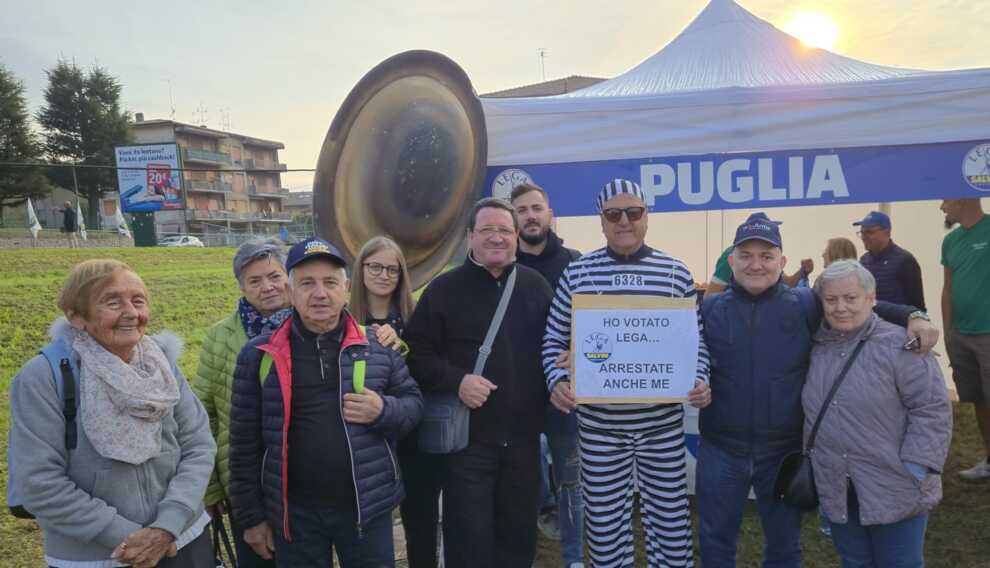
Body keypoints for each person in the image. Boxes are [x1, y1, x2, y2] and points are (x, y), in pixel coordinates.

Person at [697, 212, 941, 567]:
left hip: (782, 451)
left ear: (782, 262)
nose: (756, 265)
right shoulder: (708, 308)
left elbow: (861, 303)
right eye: (746, 256)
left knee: (784, 546)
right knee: (715, 541)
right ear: (731, 262)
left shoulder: (804, 304)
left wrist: (913, 315)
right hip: (722, 448)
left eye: (766, 256)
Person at [543, 179, 712, 568]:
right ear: (601, 220)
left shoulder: (675, 273)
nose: (624, 221)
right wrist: (558, 381)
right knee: (605, 532)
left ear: (646, 216)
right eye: (613, 213)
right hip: (600, 428)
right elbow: (553, 339)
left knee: (671, 527)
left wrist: (699, 378)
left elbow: (696, 342)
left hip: (661, 427)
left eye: (634, 212)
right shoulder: (578, 273)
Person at [228, 237, 423, 568]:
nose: (320, 293)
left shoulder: (376, 346)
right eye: (307, 283)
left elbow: (414, 405)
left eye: (330, 282)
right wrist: (251, 518)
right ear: (290, 292)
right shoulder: (259, 355)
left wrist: (383, 410)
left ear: (345, 289)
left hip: (366, 509)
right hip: (295, 516)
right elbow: (244, 444)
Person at [8, 259, 216, 568]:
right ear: (77, 316)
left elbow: (198, 445)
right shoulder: (43, 376)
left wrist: (168, 524)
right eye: (113, 302)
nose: (131, 313)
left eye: (138, 300)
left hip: (182, 539)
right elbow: (39, 481)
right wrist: (129, 537)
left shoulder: (161, 366)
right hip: (97, 557)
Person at [405, 197, 554, 568]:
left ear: (516, 236)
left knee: (518, 538)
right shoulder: (442, 290)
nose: (496, 237)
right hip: (466, 445)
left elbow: (555, 346)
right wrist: (457, 381)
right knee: (468, 542)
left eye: (504, 230)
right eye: (487, 229)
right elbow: (416, 355)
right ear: (470, 236)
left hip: (523, 443)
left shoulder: (536, 287)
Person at [805, 260, 951, 567]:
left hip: (895, 483)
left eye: (851, 298)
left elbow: (932, 409)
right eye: (831, 299)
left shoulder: (902, 344)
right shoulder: (815, 346)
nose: (840, 307)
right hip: (838, 485)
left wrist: (916, 467)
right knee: (854, 561)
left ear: (872, 299)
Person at [194, 239, 291, 568]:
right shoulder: (220, 336)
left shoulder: (313, 325)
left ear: (288, 277)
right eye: (255, 280)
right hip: (244, 480)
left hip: (299, 477)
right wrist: (210, 487)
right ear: (242, 287)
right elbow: (202, 414)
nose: (267, 287)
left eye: (274, 276)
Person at [349, 235, 441, 568]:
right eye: (375, 267)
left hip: (411, 434)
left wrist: (402, 344)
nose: (384, 275)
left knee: (420, 516)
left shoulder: (416, 318)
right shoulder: (343, 319)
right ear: (361, 270)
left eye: (392, 269)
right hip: (364, 439)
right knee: (368, 523)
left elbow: (427, 372)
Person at [510, 182, 584, 568]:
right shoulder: (502, 266)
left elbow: (597, 323)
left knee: (572, 480)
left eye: (536, 208)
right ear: (513, 219)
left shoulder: (576, 263)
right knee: (521, 481)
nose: (531, 216)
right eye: (522, 210)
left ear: (550, 213)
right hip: (517, 396)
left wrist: (579, 349)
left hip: (565, 396)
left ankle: (574, 558)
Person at [940, 198, 990, 480]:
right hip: (961, 336)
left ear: (961, 200)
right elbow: (947, 289)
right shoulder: (950, 241)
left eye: (945, 200)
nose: (941, 207)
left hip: (987, 333)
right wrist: (948, 332)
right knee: (978, 399)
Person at [853, 210, 926, 310]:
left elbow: (917, 305)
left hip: (898, 319)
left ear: (887, 232)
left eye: (869, 232)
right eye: (862, 233)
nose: (864, 237)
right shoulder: (864, 261)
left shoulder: (905, 261)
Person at [706, 243, 812, 295]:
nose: (756, 266)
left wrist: (802, 271)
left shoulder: (771, 255)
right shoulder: (731, 255)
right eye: (746, 257)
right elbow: (710, 296)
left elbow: (787, 283)